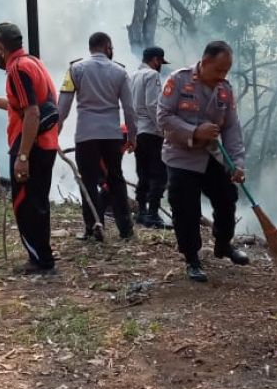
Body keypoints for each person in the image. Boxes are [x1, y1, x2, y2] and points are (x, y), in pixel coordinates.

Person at [156, 40, 249, 283]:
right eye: (219, 70)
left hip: (213, 156)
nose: (223, 75)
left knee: (227, 199)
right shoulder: (178, 81)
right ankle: (192, 258)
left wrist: (237, 163)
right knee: (186, 209)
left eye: (227, 70)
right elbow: (163, 117)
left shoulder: (225, 90)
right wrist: (195, 131)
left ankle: (223, 244)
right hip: (181, 157)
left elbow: (232, 129)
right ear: (205, 62)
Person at [0, 22, 59, 275]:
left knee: (25, 203)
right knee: (37, 202)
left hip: (30, 145)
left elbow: (32, 113)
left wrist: (22, 156)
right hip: (44, 143)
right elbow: (20, 106)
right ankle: (43, 257)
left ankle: (40, 260)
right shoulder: (33, 63)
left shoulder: (17, 70)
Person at [57, 32, 137, 240]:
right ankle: (125, 229)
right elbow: (129, 109)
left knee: (88, 181)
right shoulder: (120, 72)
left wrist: (54, 132)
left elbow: (62, 109)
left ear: (90, 47)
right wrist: (133, 136)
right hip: (112, 135)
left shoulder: (75, 70)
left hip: (86, 135)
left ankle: (93, 228)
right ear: (108, 47)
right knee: (116, 178)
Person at [130, 46, 171, 228]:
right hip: (152, 131)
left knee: (143, 173)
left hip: (138, 131)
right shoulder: (152, 75)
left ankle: (142, 212)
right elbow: (153, 104)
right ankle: (153, 214)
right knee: (159, 175)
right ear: (155, 60)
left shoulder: (132, 76)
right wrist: (163, 128)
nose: (160, 66)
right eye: (160, 62)